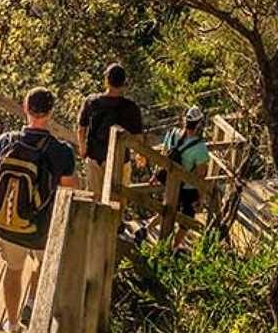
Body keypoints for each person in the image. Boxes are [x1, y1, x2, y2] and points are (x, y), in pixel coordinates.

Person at [0, 87, 79, 333]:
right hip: (42, 225)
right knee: (42, 262)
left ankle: (12, 323)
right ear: (51, 112)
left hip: (9, 221)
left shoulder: (7, 141)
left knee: (13, 269)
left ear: (25, 108)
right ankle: (33, 301)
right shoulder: (62, 151)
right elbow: (70, 190)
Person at [77, 63, 144, 199]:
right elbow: (138, 137)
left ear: (106, 80)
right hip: (120, 161)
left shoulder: (91, 102)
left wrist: (83, 147)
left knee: (94, 201)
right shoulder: (131, 107)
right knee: (118, 202)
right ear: (124, 83)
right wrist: (140, 155)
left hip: (96, 157)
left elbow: (81, 128)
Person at [148, 106, 211, 250]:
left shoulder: (171, 134)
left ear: (184, 120)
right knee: (186, 220)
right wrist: (201, 198)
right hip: (187, 188)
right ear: (200, 124)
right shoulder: (200, 148)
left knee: (168, 207)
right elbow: (200, 177)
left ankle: (146, 229)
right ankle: (172, 247)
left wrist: (155, 176)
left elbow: (163, 157)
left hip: (169, 181)